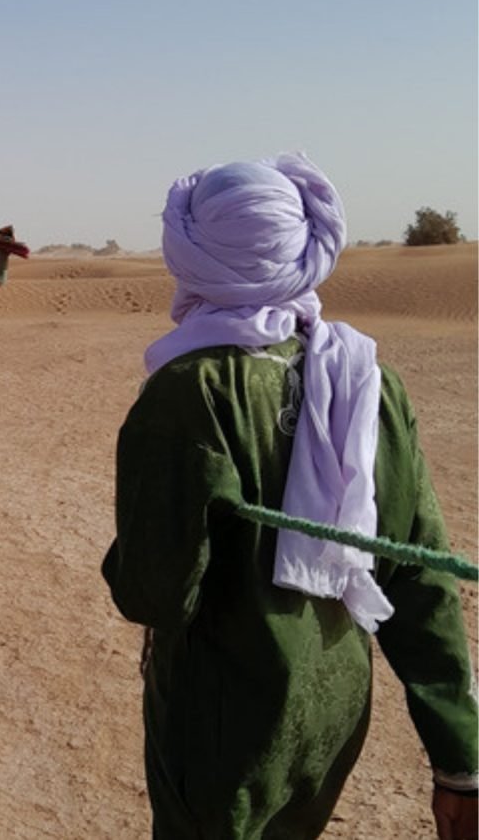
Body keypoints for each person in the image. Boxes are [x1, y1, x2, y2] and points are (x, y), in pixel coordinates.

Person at [101, 153, 478, 839]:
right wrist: (460, 762)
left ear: (190, 253)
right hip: (332, 715)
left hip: (224, 729)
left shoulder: (187, 394)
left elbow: (155, 594)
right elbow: (419, 575)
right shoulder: (370, 383)